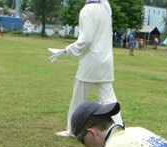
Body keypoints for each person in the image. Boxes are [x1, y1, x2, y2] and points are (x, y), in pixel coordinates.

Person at [51, 0, 122, 138]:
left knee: (78, 97)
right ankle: (118, 128)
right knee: (108, 97)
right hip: (105, 60)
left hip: (91, 62)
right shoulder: (105, 10)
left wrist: (67, 50)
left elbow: (86, 39)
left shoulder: (87, 11)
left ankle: (72, 129)